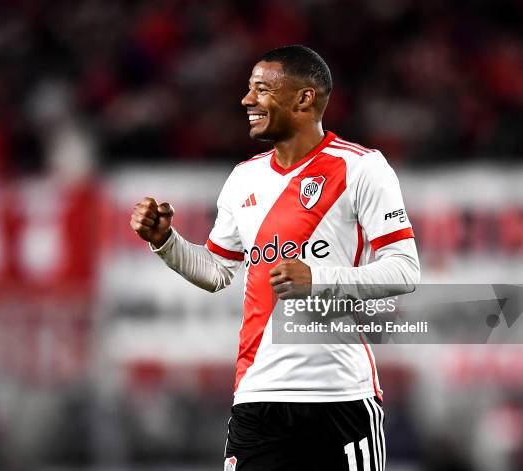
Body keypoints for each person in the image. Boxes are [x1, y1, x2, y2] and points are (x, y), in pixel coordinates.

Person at [130, 45, 420, 471]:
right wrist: (167, 242)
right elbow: (216, 271)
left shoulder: (361, 168)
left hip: (340, 397)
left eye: (261, 89)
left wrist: (317, 278)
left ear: (304, 99)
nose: (247, 100)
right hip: (258, 397)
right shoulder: (243, 178)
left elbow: (405, 269)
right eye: (249, 89)